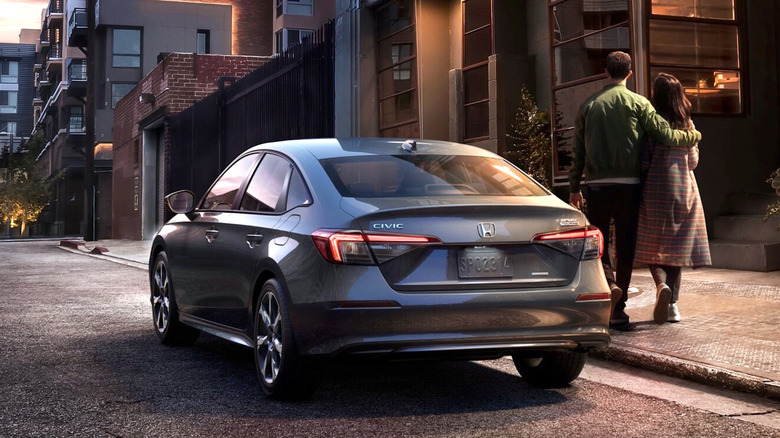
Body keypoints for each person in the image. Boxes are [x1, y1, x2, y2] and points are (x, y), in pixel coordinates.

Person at [568, 51, 701, 329]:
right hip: (630, 186)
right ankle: (620, 309)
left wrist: (574, 189)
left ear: (605, 72)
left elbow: (578, 152)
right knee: (625, 248)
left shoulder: (588, 105)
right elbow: (665, 135)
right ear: (629, 74)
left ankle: (611, 285)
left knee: (600, 244)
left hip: (597, 186)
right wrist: (694, 135)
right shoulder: (640, 103)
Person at [634, 73, 711, 324]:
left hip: (655, 190)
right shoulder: (687, 122)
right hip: (684, 190)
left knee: (651, 247)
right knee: (676, 249)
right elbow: (693, 161)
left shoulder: (651, 122)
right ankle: (674, 306)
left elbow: (644, 160)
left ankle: (660, 286)